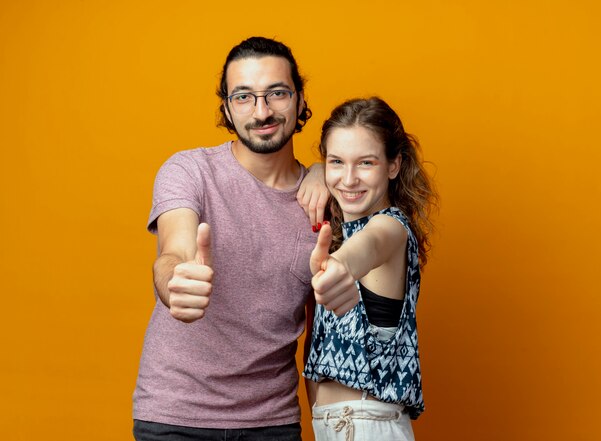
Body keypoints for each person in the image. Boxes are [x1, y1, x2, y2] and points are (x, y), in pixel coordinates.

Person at [133, 36, 328, 441]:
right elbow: (175, 250)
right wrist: (175, 281)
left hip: (272, 421)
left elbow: (320, 333)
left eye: (276, 93)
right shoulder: (189, 171)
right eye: (244, 97)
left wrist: (324, 170)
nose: (262, 111)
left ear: (299, 97)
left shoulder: (323, 199)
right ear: (226, 107)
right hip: (175, 414)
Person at [303, 97, 438, 441]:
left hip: (367, 425)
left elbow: (369, 246)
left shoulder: (390, 228)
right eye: (336, 162)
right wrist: (318, 172)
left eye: (366, 162)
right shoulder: (338, 229)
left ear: (393, 166)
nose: (348, 179)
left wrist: (341, 266)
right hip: (336, 424)